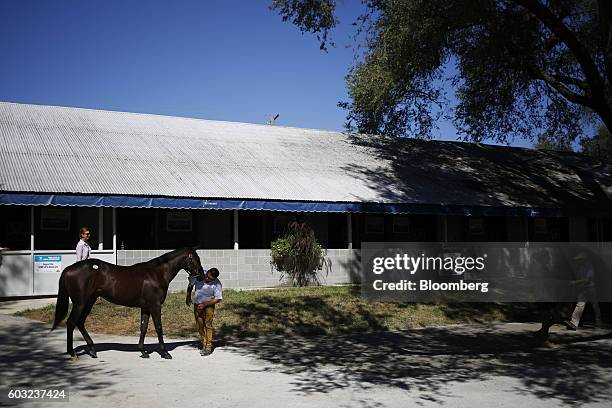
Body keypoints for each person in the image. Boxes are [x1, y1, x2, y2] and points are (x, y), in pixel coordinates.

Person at [186, 267, 222, 356]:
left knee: (208, 325)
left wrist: (205, 304)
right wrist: (188, 296)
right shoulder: (199, 275)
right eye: (207, 277)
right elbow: (190, 285)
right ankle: (203, 342)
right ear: (207, 272)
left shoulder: (217, 284)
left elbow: (218, 298)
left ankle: (208, 346)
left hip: (209, 306)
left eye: (210, 279)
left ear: (214, 278)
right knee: (199, 324)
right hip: (197, 305)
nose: (207, 279)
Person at [564, 251, 602, 330]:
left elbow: (588, 279)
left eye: (579, 259)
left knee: (595, 306)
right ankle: (574, 323)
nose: (578, 261)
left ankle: (599, 322)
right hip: (583, 289)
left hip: (590, 288)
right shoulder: (580, 267)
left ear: (584, 259)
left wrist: (576, 282)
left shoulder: (589, 266)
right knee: (580, 305)